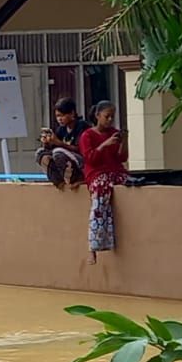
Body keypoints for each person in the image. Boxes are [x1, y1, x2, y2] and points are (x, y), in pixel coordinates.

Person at [77, 101, 127, 262]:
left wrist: (123, 142)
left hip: (115, 171)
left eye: (112, 116)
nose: (110, 119)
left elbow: (121, 158)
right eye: (107, 116)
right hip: (97, 173)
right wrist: (104, 145)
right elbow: (90, 158)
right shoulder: (87, 136)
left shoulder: (114, 133)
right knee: (100, 198)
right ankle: (94, 245)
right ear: (98, 116)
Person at [36, 97, 89, 188]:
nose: (59, 119)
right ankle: (59, 181)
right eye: (57, 116)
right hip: (65, 160)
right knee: (40, 153)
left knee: (58, 153)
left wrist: (59, 143)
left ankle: (76, 178)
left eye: (62, 116)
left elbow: (79, 149)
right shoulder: (61, 129)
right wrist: (47, 143)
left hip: (81, 163)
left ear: (72, 113)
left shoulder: (82, 126)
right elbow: (52, 151)